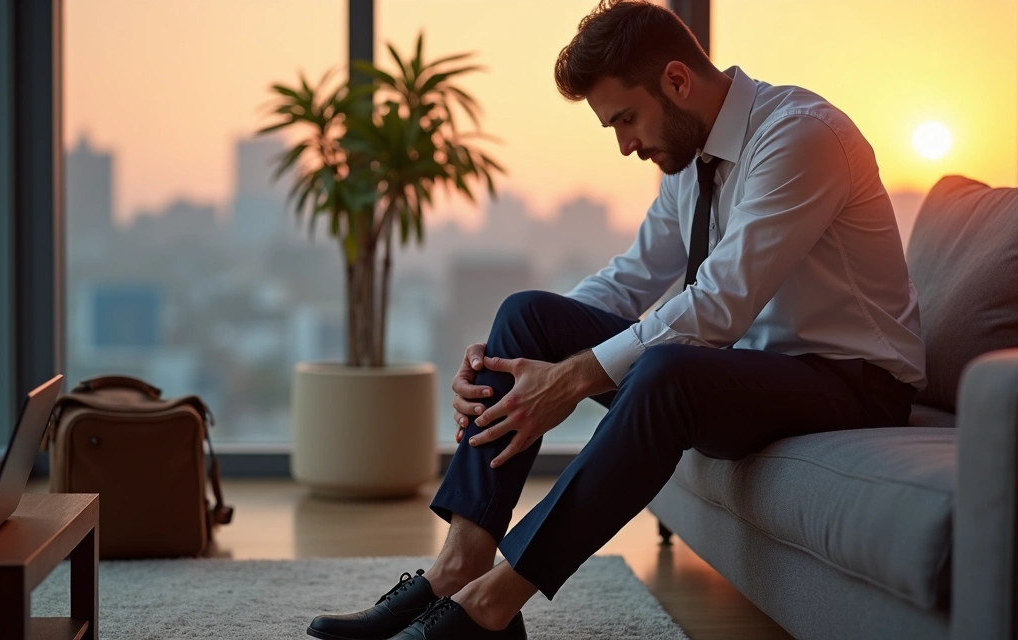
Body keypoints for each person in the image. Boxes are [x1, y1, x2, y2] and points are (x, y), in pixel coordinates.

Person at [308, 1, 925, 638]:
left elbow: (717, 307)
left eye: (627, 119)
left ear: (677, 81)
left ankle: (492, 606)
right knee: (527, 315)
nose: (626, 144)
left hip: (852, 385)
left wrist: (572, 378)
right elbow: (628, 280)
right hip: (748, 376)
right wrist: (519, 356)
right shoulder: (692, 161)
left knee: (666, 370)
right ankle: (459, 566)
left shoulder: (800, 136)